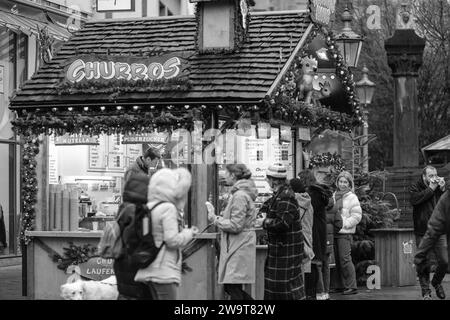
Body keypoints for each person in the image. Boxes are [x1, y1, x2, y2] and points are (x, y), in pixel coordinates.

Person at [134, 167, 199, 300]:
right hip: (163, 270)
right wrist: (188, 233)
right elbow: (172, 240)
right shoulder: (167, 208)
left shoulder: (149, 207)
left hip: (146, 268)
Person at [205, 164, 258, 300]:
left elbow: (235, 225)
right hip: (238, 245)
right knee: (233, 286)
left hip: (238, 246)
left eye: (226, 174)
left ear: (233, 176)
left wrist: (215, 219)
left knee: (231, 286)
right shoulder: (241, 194)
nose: (224, 176)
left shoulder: (239, 196)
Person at [256, 163, 305, 300]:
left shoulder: (286, 196)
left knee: (285, 290)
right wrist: (260, 213)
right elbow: (268, 207)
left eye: (268, 178)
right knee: (277, 290)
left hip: (286, 252)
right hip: (280, 251)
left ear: (274, 180)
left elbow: (283, 223)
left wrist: (264, 222)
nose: (266, 180)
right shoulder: (279, 195)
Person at [114, 172, 156, 300]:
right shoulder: (139, 211)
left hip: (121, 263)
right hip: (134, 266)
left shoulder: (124, 207)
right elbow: (143, 240)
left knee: (125, 294)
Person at [410, 166, 447, 300]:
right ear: (424, 176)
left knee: (444, 261)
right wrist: (431, 189)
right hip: (422, 231)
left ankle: (436, 282)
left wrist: (443, 189)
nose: (433, 178)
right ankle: (426, 292)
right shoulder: (415, 186)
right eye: (430, 175)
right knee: (423, 262)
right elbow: (415, 200)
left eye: (435, 175)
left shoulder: (438, 187)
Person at [297, 169, 332, 300]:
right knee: (316, 263)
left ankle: (319, 293)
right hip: (318, 231)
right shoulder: (318, 192)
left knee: (314, 264)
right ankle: (320, 293)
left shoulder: (312, 194)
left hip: (314, 232)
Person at [332, 171, 361, 295]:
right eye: (340, 181)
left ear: (349, 184)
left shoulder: (352, 197)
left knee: (345, 259)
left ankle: (351, 286)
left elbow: (357, 216)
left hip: (345, 232)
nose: (342, 184)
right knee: (337, 261)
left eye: (345, 182)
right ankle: (339, 285)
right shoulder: (334, 195)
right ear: (337, 182)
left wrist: (345, 224)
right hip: (334, 232)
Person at [289, 178, 314, 295]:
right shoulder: (308, 201)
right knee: (305, 269)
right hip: (308, 235)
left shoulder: (295, 202)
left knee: (297, 271)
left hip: (299, 238)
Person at [321, 193, 343, 300]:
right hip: (328, 241)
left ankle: (318, 292)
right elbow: (339, 224)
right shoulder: (334, 207)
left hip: (316, 239)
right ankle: (326, 292)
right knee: (326, 267)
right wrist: (330, 234)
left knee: (316, 266)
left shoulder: (316, 205)